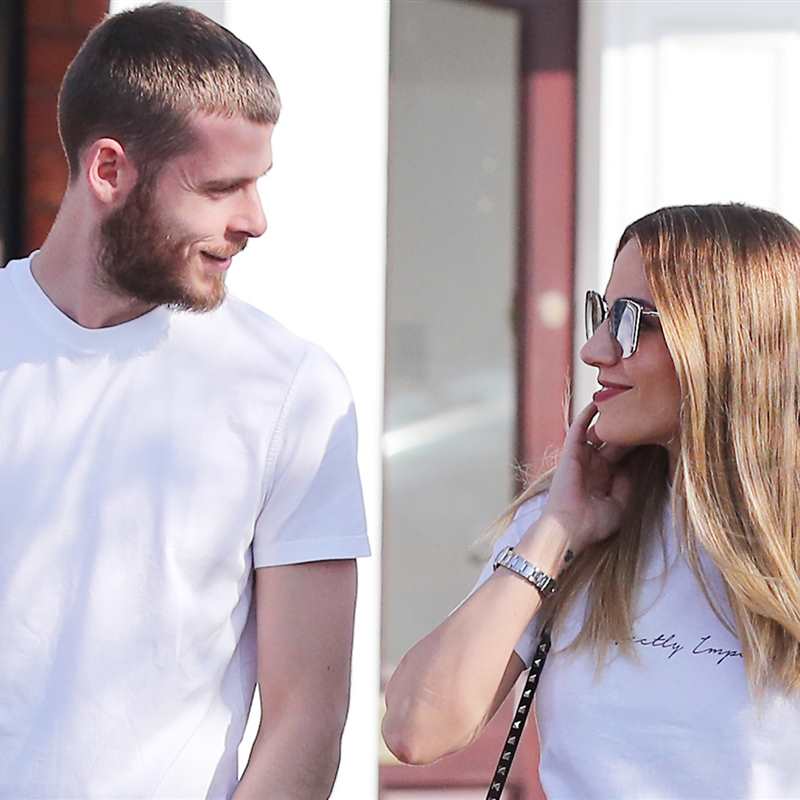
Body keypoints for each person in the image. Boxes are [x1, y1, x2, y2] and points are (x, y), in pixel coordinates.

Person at [0, 5, 370, 799]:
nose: (255, 220)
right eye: (221, 187)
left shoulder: (289, 390)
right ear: (110, 171)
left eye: (258, 182)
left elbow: (308, 718)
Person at [382, 203, 800, 798]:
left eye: (630, 321)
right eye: (602, 314)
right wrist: (555, 532)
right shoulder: (571, 526)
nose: (595, 349)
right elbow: (416, 728)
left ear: (728, 340)